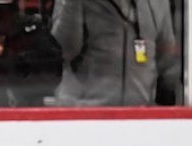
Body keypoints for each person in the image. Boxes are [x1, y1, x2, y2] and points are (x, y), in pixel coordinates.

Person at [50, 0, 180, 106]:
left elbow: (167, 64)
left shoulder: (158, 3)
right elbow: (66, 51)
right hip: (84, 116)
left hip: (139, 118)